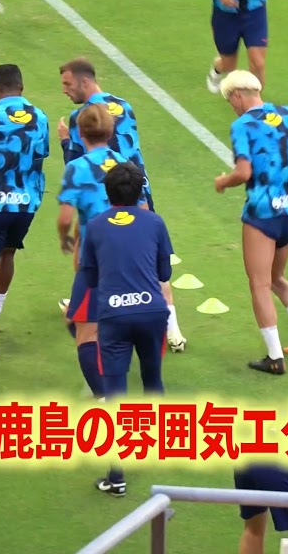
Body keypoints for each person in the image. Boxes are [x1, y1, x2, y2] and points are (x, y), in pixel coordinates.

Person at [57, 57, 186, 351]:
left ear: (84, 81)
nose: (65, 90)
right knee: (149, 256)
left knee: (86, 245)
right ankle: (172, 329)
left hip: (104, 194)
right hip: (138, 189)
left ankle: (87, 303)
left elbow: (76, 164)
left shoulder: (81, 117)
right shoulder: (125, 106)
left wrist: (65, 140)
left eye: (67, 83)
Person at [214, 71, 288, 375]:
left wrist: (223, 181)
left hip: (262, 214)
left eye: (230, 100)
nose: (232, 107)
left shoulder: (242, 125)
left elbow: (243, 173)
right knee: (276, 277)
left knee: (259, 284)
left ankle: (275, 358)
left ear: (237, 95)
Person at [81, 162, 173, 497]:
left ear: (107, 192)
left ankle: (116, 476)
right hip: (152, 312)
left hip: (114, 317)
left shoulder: (95, 226)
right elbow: (165, 273)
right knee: (152, 376)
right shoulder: (155, 222)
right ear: (140, 191)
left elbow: (89, 277)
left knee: (116, 391)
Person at [55, 104, 137, 400]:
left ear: (79, 132)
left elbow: (65, 217)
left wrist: (65, 238)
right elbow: (142, 209)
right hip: (129, 253)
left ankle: (107, 398)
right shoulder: (126, 163)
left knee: (80, 328)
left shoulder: (77, 168)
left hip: (97, 259)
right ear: (112, 131)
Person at [0, 64, 50, 362]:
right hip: (26, 203)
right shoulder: (40, 117)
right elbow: (40, 155)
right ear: (22, 87)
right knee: (8, 254)